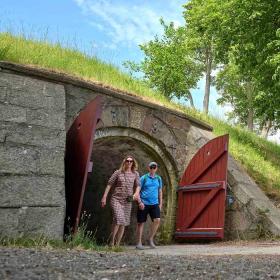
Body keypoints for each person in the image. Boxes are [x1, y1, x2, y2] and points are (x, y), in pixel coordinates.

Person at [101, 155, 140, 246]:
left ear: (133, 163)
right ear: (124, 162)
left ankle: (117, 244)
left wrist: (135, 194)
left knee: (123, 222)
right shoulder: (118, 172)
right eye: (128, 161)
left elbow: (138, 185)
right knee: (119, 218)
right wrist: (104, 197)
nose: (129, 163)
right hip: (116, 199)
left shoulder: (135, 174)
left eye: (131, 161)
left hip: (128, 200)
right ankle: (111, 242)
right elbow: (109, 184)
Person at [134, 161, 163, 249]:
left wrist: (160, 203)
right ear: (148, 168)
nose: (153, 169)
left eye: (154, 167)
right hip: (144, 203)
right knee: (141, 223)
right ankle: (139, 243)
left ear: (156, 168)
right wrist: (140, 202)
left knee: (157, 220)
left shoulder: (158, 178)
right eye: (151, 167)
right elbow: (138, 190)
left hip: (154, 203)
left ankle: (150, 239)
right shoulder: (144, 178)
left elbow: (160, 191)